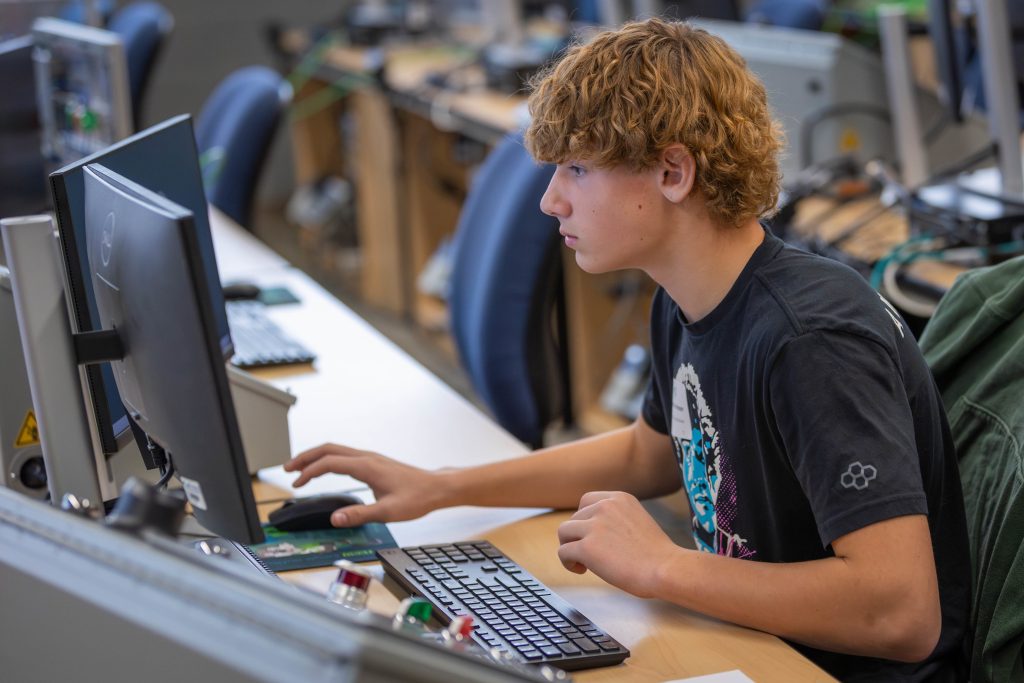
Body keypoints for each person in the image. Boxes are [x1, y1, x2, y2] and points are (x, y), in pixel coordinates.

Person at [284, 17, 970, 681]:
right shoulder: (687, 294)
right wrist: (444, 486)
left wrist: (663, 565)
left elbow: (902, 614)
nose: (551, 200)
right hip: (748, 638)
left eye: (577, 169)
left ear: (673, 173)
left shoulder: (809, 341)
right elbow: (650, 453)